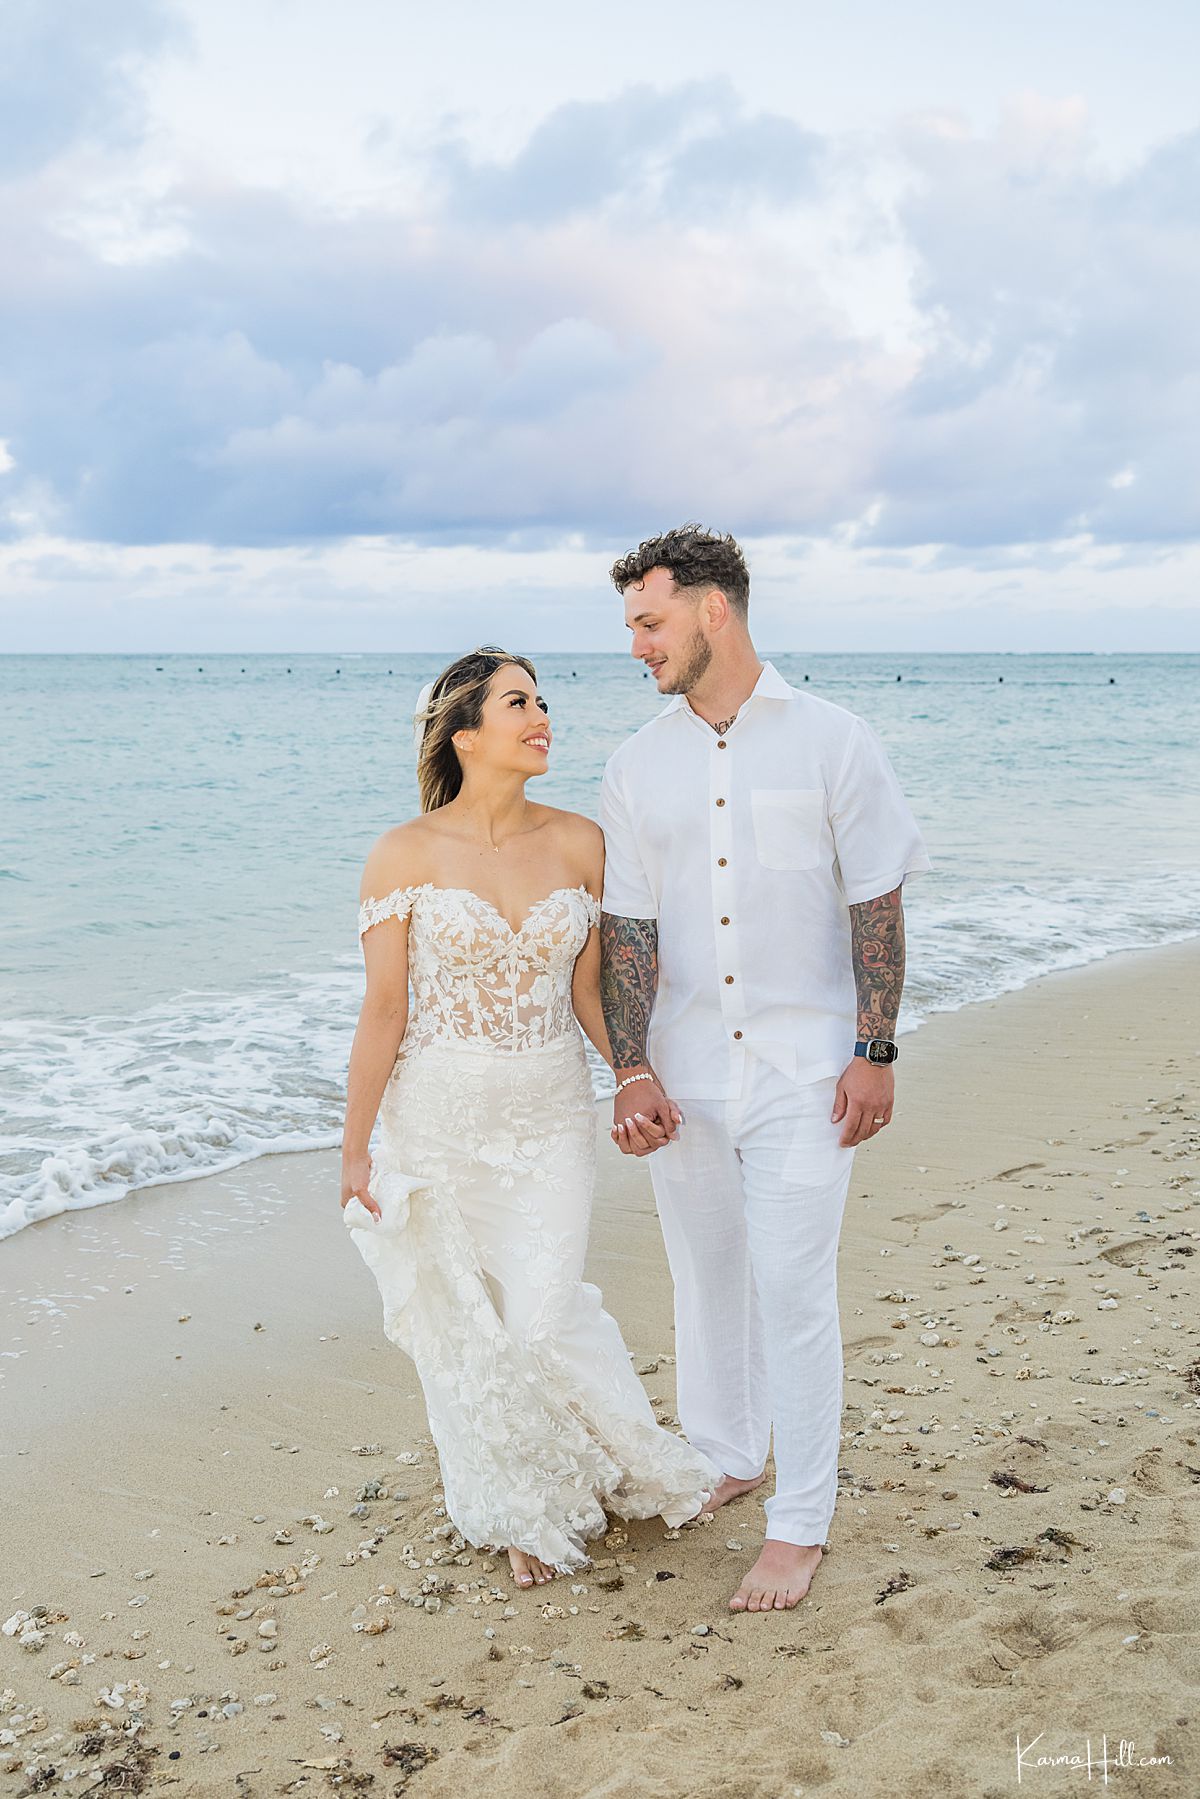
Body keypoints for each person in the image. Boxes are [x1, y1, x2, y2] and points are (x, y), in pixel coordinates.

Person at [598, 526, 933, 1615]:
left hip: (808, 1066)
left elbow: (874, 901)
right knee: (707, 1278)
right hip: (688, 1070)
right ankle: (728, 1453)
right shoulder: (637, 763)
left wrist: (875, 1047)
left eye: (650, 620)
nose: (638, 644)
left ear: (713, 611)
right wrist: (632, 1068)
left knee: (791, 1287)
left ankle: (800, 1522)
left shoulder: (834, 740)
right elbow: (630, 931)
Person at [339, 645, 721, 1591]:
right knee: (474, 1323)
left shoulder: (580, 842)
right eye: (519, 702)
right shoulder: (403, 853)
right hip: (436, 1119)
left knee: (544, 1317)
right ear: (467, 733)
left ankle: (611, 1458)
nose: (542, 715)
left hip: (550, 1111)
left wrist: (633, 1070)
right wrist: (356, 1153)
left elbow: (589, 989)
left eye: (543, 700)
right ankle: (521, 1505)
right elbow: (384, 1011)